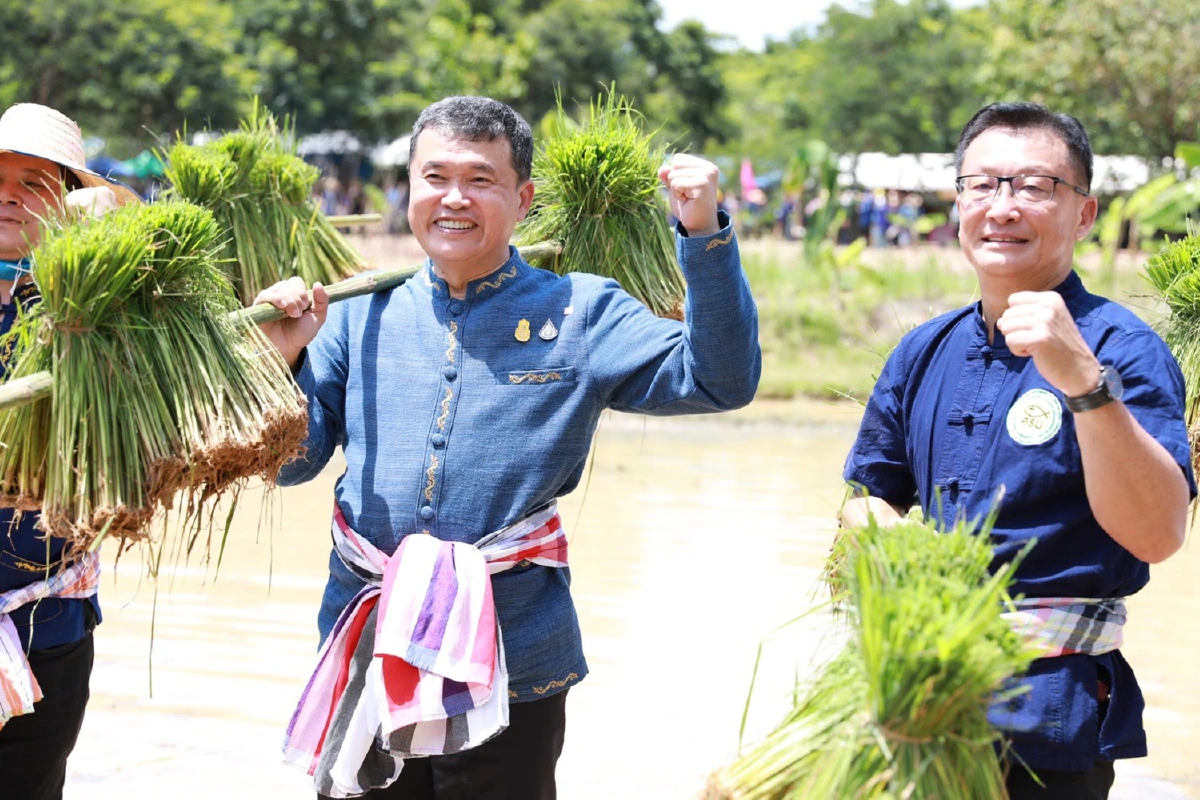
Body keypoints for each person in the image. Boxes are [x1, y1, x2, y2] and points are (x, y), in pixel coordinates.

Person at [255, 95, 761, 798]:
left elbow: (719, 380)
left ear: (523, 199)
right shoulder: (356, 313)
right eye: (435, 177)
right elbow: (292, 465)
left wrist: (702, 234)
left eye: (480, 179)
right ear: (409, 186)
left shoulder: (580, 311)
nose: (454, 198)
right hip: (372, 646)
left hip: (514, 663)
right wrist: (278, 361)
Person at [841, 101, 1194, 799]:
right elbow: (866, 497)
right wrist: (879, 532)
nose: (1002, 207)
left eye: (1034, 187)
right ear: (959, 203)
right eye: (982, 185)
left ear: (1084, 214)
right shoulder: (923, 350)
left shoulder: (1123, 350)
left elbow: (1159, 533)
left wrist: (1084, 385)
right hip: (912, 697)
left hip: (1046, 721)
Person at [0, 102, 138, 800]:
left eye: (32, 183)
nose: (8, 197)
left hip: (46, 620)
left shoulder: (98, 313)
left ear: (67, 201)